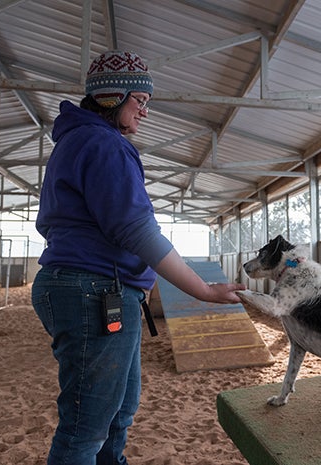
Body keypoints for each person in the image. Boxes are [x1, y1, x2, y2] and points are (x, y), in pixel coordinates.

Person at [31, 50, 245, 465]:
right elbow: (135, 229)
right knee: (85, 429)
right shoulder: (104, 144)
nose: (145, 113)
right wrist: (203, 289)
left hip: (94, 289)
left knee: (118, 412)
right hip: (92, 290)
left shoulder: (79, 142)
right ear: (112, 96)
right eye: (140, 101)